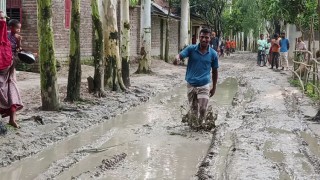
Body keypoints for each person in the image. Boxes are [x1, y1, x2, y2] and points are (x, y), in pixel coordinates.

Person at [175, 28, 219, 128]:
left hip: (204, 84)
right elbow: (181, 55)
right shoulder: (191, 49)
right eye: (202, 37)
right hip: (191, 84)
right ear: (199, 37)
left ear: (210, 38)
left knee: (203, 108)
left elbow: (215, 72)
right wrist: (177, 58)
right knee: (194, 110)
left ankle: (201, 125)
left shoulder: (213, 54)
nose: (204, 39)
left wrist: (214, 87)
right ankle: (194, 126)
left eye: (206, 37)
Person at [0, 11, 23, 128]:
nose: (18, 30)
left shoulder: (16, 37)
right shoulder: (5, 35)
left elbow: (18, 50)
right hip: (3, 65)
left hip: (9, 65)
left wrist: (19, 43)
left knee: (12, 89)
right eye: (17, 28)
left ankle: (12, 119)